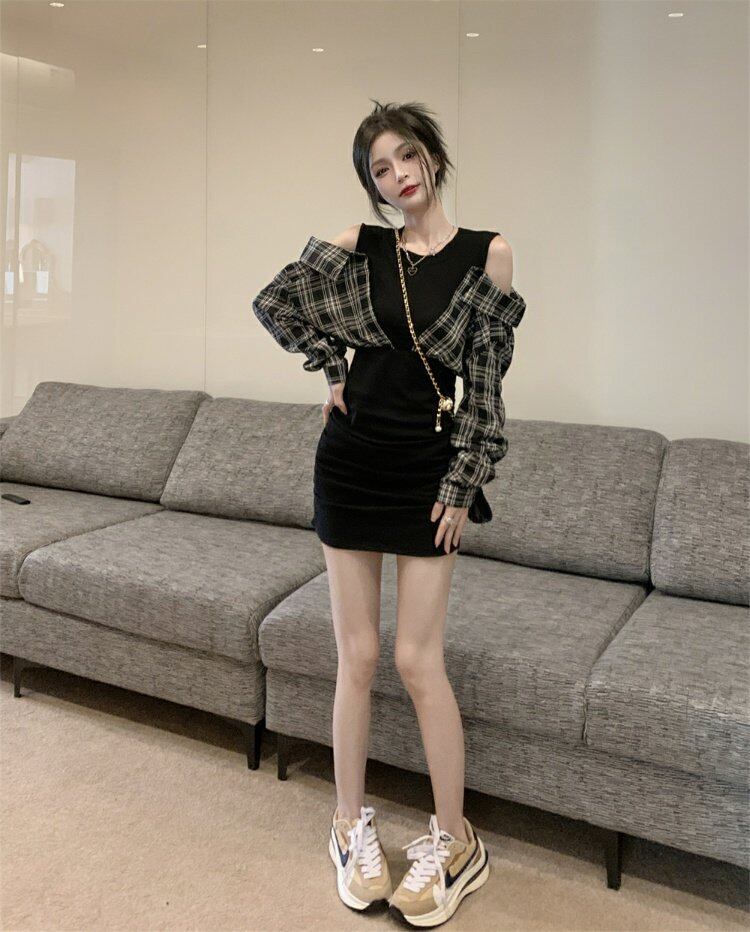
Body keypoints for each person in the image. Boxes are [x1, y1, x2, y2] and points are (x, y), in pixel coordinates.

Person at [253, 99, 526, 928]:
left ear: (432, 156)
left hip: (427, 471)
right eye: (381, 168)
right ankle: (349, 827)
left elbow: (486, 386)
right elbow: (277, 301)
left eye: (408, 155)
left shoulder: (488, 254)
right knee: (359, 655)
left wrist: (464, 480)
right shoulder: (360, 246)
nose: (399, 174)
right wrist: (331, 367)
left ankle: (455, 842)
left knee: (417, 660)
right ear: (371, 185)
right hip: (350, 464)